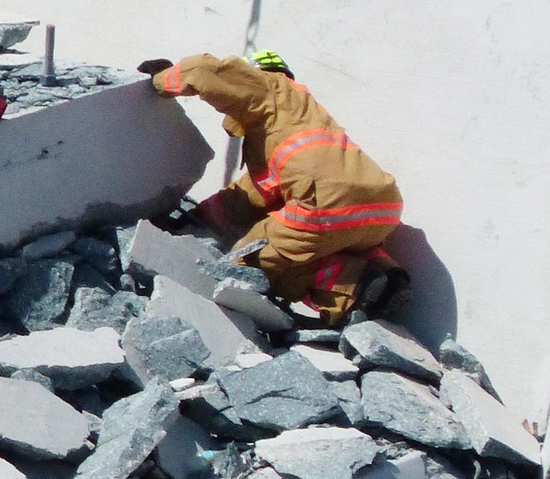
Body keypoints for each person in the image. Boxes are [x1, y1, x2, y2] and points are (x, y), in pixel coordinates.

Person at [139, 51, 406, 325]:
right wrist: (200, 217)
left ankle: (351, 284)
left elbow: (204, 69)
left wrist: (160, 80)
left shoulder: (265, 84)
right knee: (332, 242)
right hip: (383, 204)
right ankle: (386, 276)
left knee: (248, 263)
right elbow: (255, 193)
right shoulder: (298, 116)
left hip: (326, 200)